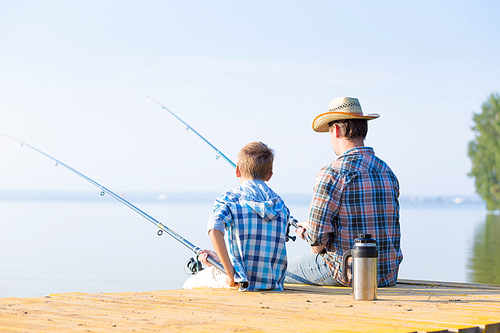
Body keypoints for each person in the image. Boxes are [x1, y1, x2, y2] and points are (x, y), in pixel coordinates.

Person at [285, 97, 403, 287]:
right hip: (387, 276)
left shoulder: (332, 173)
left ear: (336, 130)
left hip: (347, 276)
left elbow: (316, 246)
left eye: (330, 131)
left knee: (277, 269)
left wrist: (307, 232)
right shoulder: (387, 171)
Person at [183, 141, 290, 291]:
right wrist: (218, 258)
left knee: (189, 284)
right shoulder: (281, 206)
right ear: (269, 175)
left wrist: (229, 274)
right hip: (273, 284)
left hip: (242, 282)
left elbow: (214, 229)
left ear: (237, 171)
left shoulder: (230, 199)